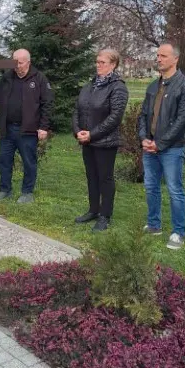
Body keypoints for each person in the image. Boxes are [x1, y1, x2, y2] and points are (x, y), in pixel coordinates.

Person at [0, 49, 53, 203]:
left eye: (20, 63)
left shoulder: (39, 79)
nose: (17, 66)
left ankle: (27, 192)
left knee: (29, 162)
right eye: (14, 62)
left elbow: (47, 103)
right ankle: (5, 190)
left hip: (28, 130)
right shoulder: (7, 77)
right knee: (4, 160)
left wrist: (43, 127)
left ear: (28, 62)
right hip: (8, 129)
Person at [137, 43, 185, 249]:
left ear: (175, 59)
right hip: (150, 146)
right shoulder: (153, 86)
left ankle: (178, 232)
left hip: (172, 148)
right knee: (151, 186)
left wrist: (160, 144)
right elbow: (143, 115)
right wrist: (143, 138)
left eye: (163, 56)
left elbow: (182, 120)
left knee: (174, 189)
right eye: (158, 55)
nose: (159, 59)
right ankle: (154, 225)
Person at [72, 49, 129, 231]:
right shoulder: (89, 85)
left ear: (113, 64)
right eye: (97, 61)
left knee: (105, 178)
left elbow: (115, 117)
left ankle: (105, 215)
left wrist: (92, 134)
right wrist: (78, 131)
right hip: (87, 141)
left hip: (105, 142)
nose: (98, 65)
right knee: (91, 176)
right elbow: (77, 110)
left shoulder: (118, 87)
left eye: (102, 62)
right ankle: (93, 210)